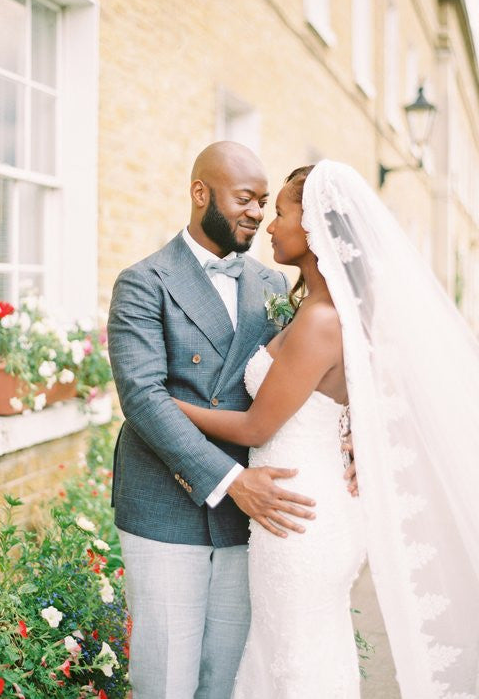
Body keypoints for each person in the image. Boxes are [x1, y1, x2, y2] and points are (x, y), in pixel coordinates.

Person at [175, 159, 479, 698]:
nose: (270, 226)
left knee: (295, 663)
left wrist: (164, 404)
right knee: (302, 656)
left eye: (280, 213)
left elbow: (255, 427)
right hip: (311, 506)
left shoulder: (322, 321)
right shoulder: (328, 310)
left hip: (299, 519)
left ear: (316, 225)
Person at [107, 142, 358, 699]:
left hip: (258, 519)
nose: (258, 214)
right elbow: (142, 396)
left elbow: (327, 372)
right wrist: (231, 481)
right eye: (245, 198)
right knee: (166, 680)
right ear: (202, 194)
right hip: (168, 509)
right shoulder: (143, 282)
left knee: (229, 678)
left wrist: (354, 437)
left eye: (267, 202)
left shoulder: (276, 286)